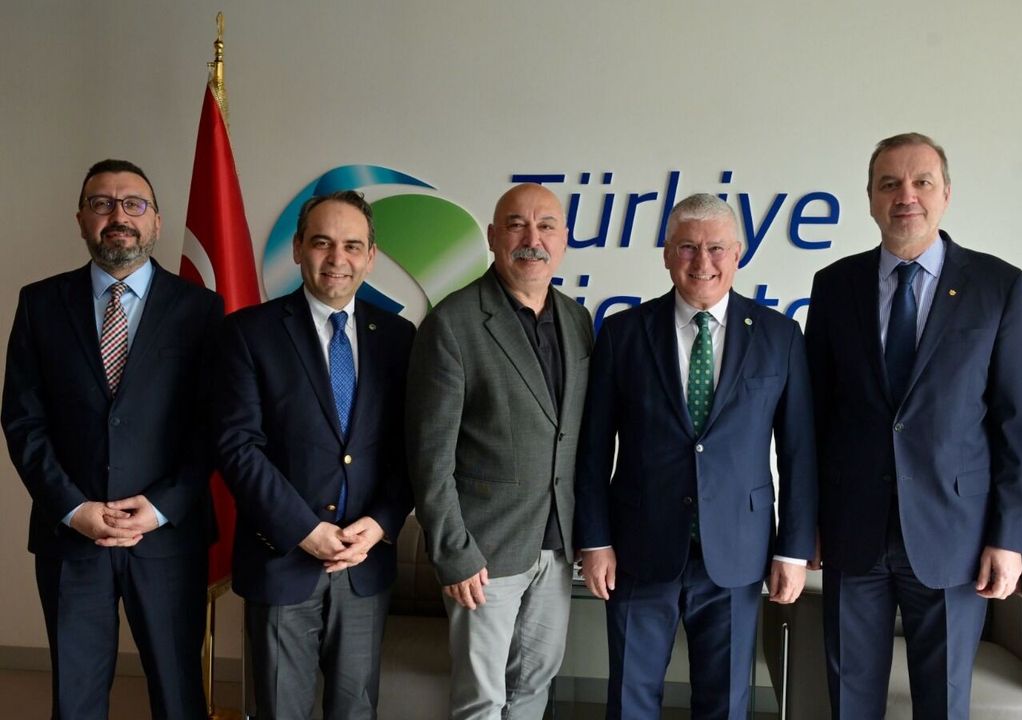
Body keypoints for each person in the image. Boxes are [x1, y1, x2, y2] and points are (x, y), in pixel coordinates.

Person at [805, 132, 1022, 718]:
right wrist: (807, 522)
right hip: (853, 531)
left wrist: (1008, 538)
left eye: (921, 182)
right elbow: (815, 417)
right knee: (850, 699)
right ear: (870, 199)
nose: (905, 196)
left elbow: (1015, 423)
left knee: (943, 702)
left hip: (955, 533)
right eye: (889, 184)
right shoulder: (834, 285)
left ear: (946, 194)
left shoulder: (997, 285)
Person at [575, 192, 817, 719]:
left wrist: (793, 551)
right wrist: (595, 540)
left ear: (738, 254)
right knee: (630, 699)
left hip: (738, 553)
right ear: (667, 253)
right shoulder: (623, 333)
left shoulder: (780, 336)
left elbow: (799, 453)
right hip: (638, 550)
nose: (702, 261)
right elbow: (591, 451)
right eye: (687, 247)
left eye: (716, 248)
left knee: (725, 705)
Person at [1, 159, 222, 718]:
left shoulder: (201, 309)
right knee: (74, 701)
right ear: (81, 219)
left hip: (168, 538)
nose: (118, 216)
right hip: (71, 537)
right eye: (101, 203)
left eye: (133, 204)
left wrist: (161, 507)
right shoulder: (40, 303)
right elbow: (23, 421)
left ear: (156, 221)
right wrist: (73, 508)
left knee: (178, 696)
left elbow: (213, 425)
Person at [216, 190, 415, 719]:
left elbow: (411, 447)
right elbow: (237, 447)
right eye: (323, 242)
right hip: (282, 559)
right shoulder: (248, 333)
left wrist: (382, 522)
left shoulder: (399, 337)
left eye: (352, 245)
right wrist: (303, 529)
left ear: (371, 256)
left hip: (364, 563)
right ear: (298, 247)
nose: (337, 258)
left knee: (356, 711)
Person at [406, 182, 593, 719]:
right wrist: (453, 552)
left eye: (546, 226)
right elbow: (429, 456)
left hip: (556, 545)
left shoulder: (577, 320)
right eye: (516, 225)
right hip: (483, 553)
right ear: (492, 237)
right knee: (482, 700)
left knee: (535, 685)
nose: (532, 238)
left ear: (563, 240)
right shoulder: (452, 323)